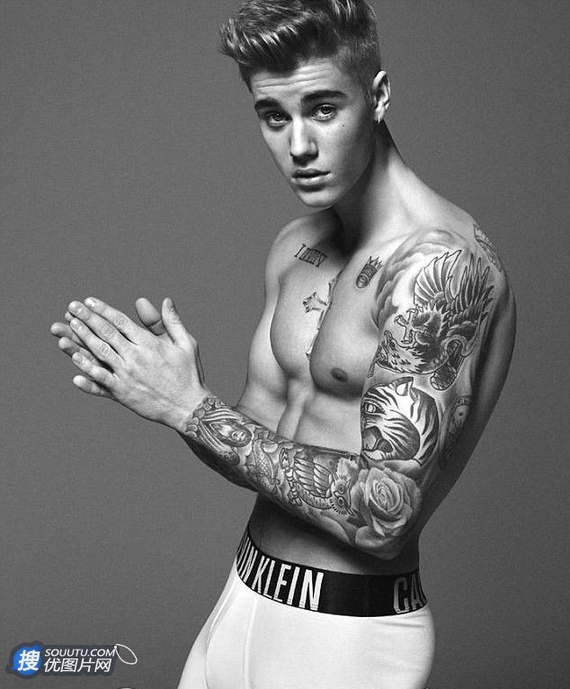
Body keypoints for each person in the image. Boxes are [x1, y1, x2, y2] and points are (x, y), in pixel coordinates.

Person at [50, 1, 516, 687]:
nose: (299, 145)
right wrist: (173, 390)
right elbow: (255, 446)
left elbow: (384, 512)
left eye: (323, 109)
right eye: (274, 116)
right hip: (244, 595)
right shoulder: (297, 246)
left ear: (378, 96)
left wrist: (191, 409)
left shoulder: (438, 269)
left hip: (346, 634)